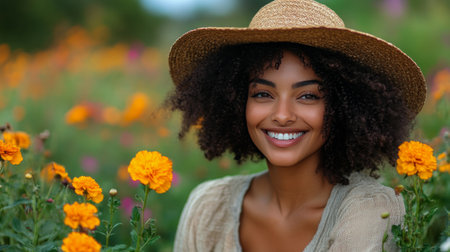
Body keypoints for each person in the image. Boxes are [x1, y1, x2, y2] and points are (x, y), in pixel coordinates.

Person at [166, 0, 426, 251]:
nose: (282, 115)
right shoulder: (208, 206)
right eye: (263, 94)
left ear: (345, 108)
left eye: (308, 96)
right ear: (235, 102)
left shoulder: (374, 209)